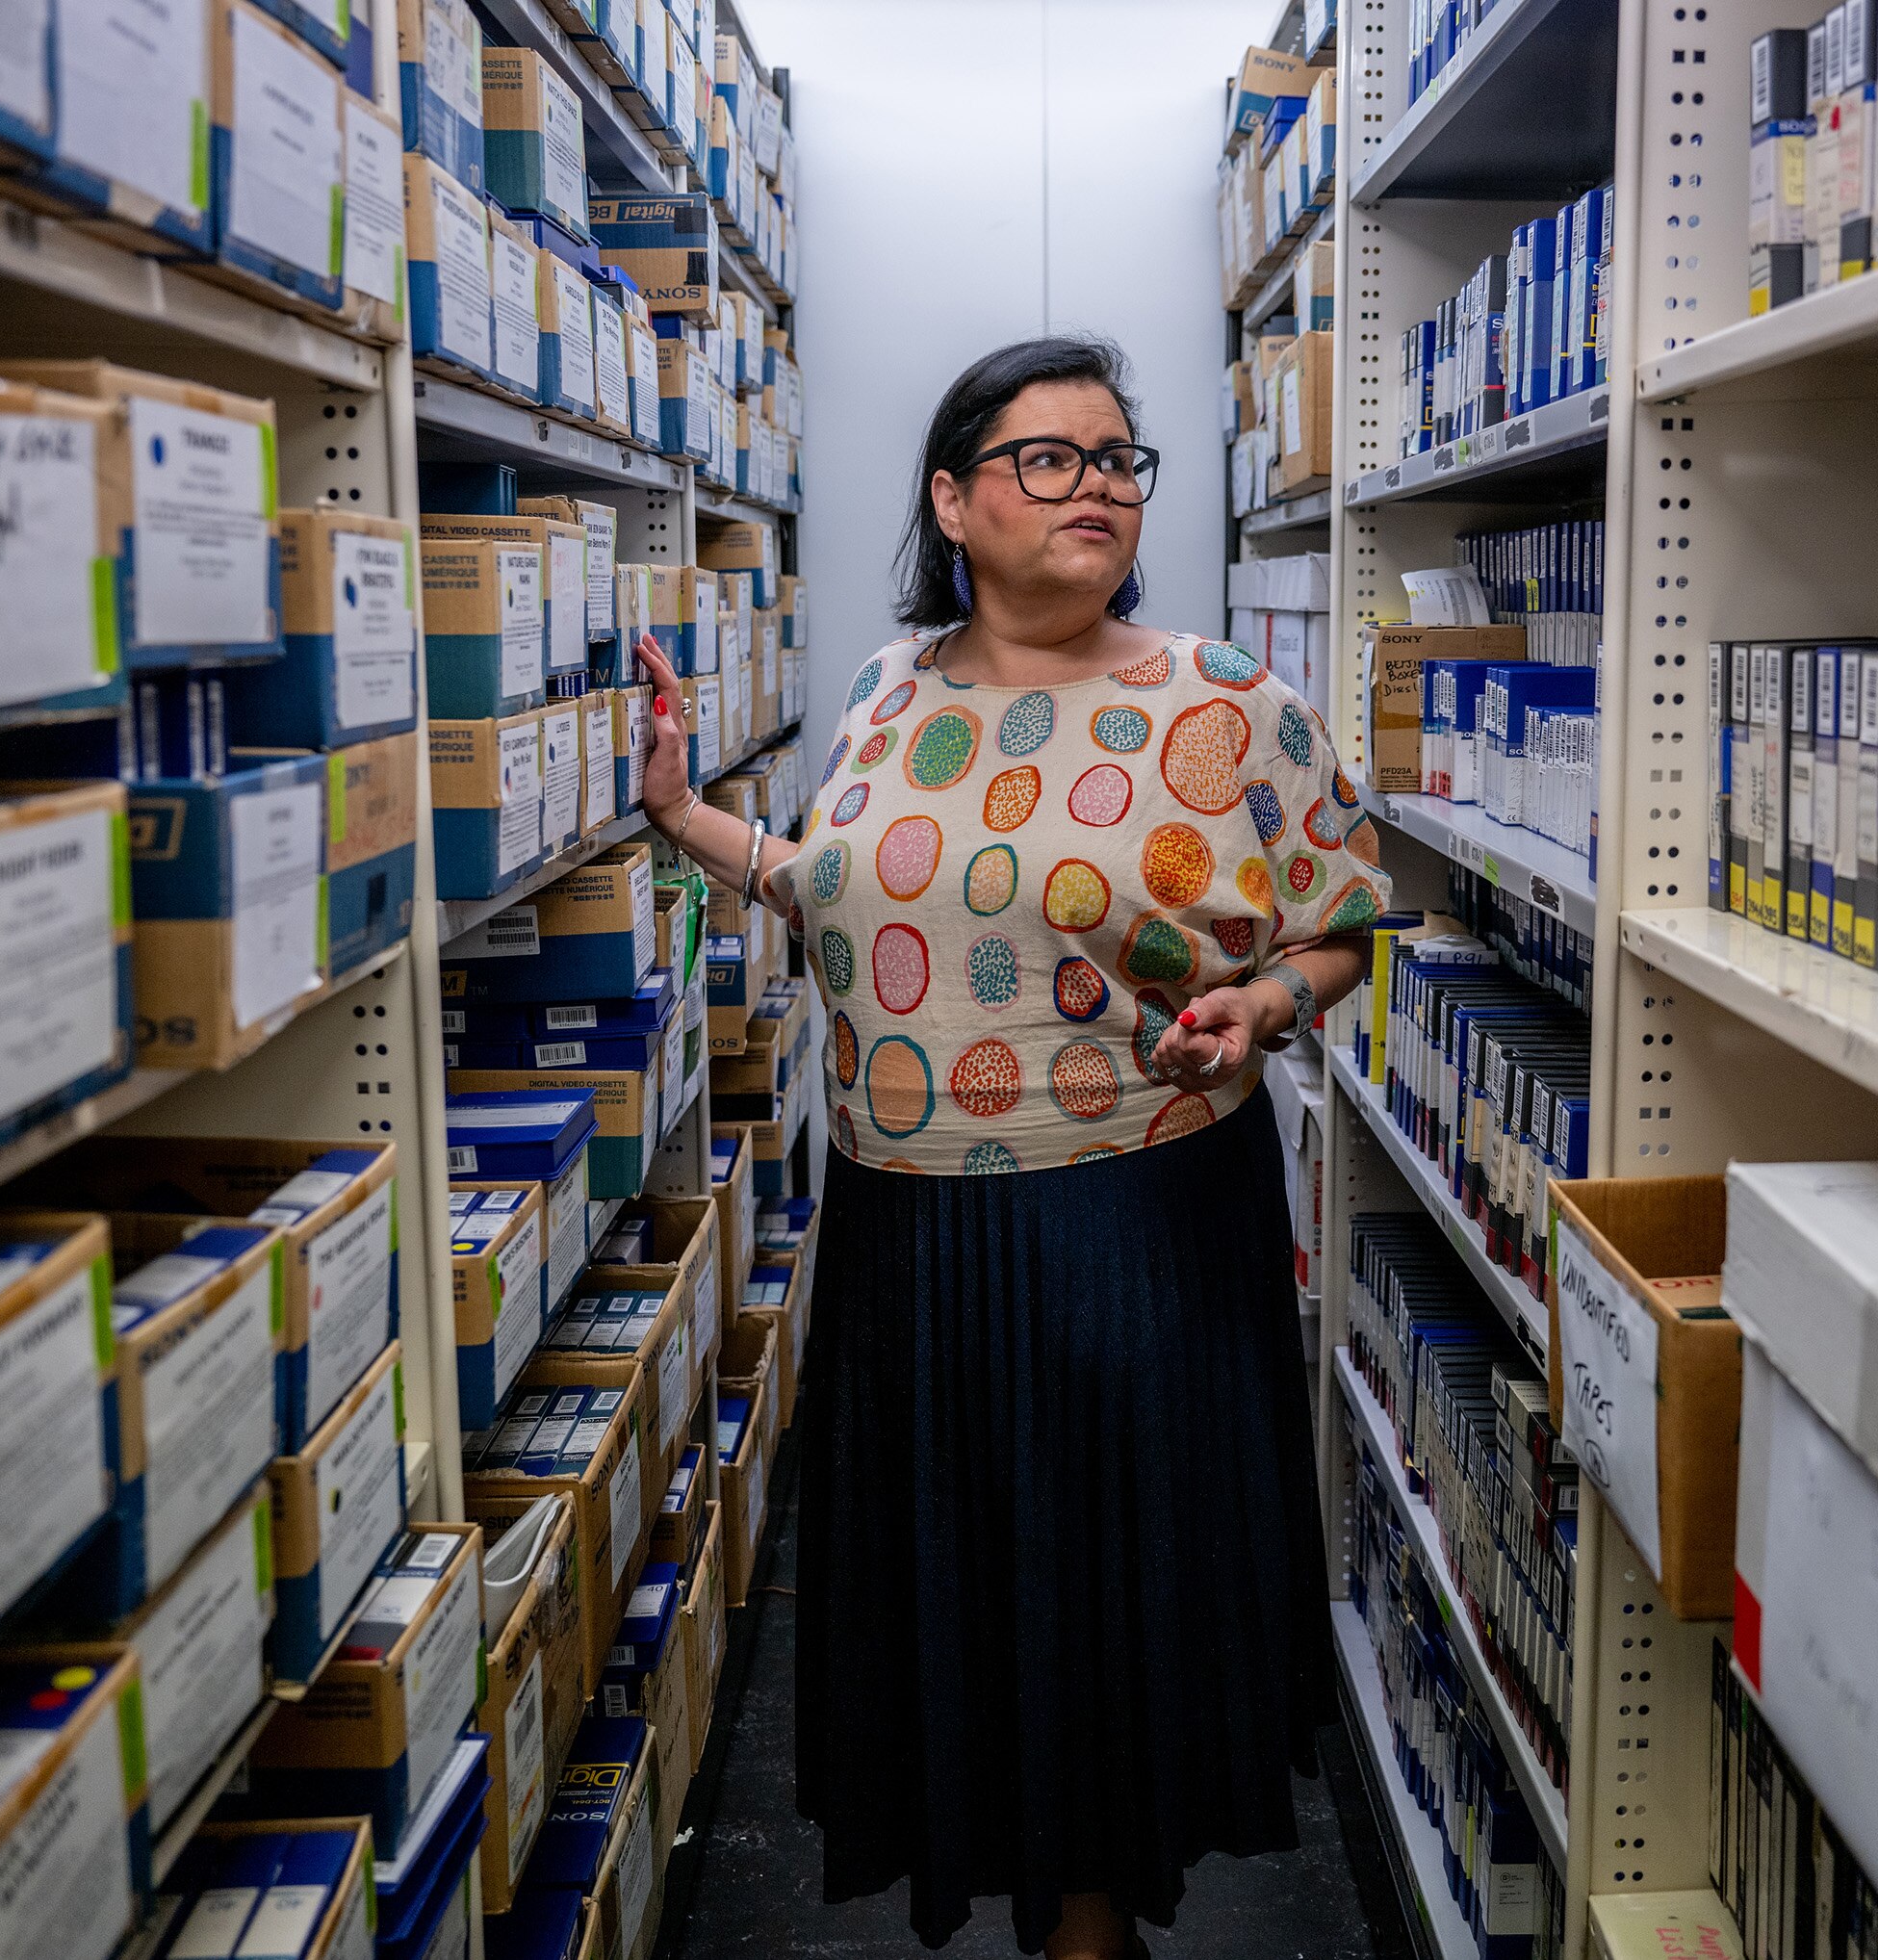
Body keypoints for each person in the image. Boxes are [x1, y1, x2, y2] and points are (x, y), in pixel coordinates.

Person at [631, 335, 1389, 1957]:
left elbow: (1340, 927)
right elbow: (847, 887)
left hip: (1130, 1227)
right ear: (953, 500)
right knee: (971, 1595)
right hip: (909, 1232)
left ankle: (1090, 1932)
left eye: (1118, 459)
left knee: (1101, 1597)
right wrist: (687, 819)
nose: (1097, 485)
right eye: (1050, 458)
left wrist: (1264, 1007)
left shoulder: (1226, 702)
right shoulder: (882, 691)